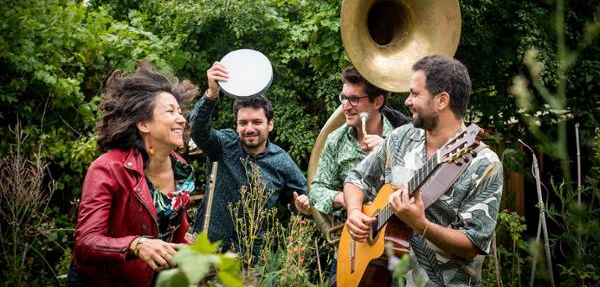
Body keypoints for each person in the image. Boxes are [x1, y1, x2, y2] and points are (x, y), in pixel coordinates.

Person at [343, 55, 503, 286]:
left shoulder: (484, 164)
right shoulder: (400, 138)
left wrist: (422, 225)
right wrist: (355, 212)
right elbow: (356, 178)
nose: (407, 101)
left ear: (441, 100)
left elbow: (473, 244)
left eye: (415, 94)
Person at [68, 63, 199, 287]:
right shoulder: (108, 168)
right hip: (101, 281)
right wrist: (136, 244)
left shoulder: (182, 169)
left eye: (180, 111)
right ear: (144, 124)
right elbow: (86, 241)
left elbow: (174, 233)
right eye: (170, 111)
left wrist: (197, 258)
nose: (181, 119)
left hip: (147, 280)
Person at [190, 61, 311, 253]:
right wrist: (211, 94)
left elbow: (307, 196)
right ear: (236, 125)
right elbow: (197, 130)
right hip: (205, 248)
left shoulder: (281, 161)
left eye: (256, 122)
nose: (249, 129)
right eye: (243, 123)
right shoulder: (223, 145)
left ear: (270, 124)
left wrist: (305, 205)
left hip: (249, 261)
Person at [309, 66, 410, 286]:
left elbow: (420, 184)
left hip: (399, 251)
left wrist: (389, 152)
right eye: (343, 98)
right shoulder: (336, 140)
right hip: (354, 248)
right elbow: (316, 190)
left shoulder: (403, 136)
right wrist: (346, 199)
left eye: (354, 99)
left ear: (378, 102)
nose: (345, 106)